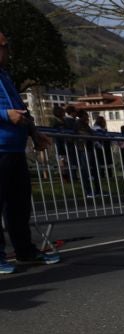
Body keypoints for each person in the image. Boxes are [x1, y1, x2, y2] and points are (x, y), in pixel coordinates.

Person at [0, 29, 60, 274]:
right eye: (4, 45)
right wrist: (4, 115)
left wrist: (34, 133)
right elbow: (10, 111)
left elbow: (20, 108)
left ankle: (25, 250)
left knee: (19, 203)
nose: (7, 50)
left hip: (15, 148)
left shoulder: (5, 75)